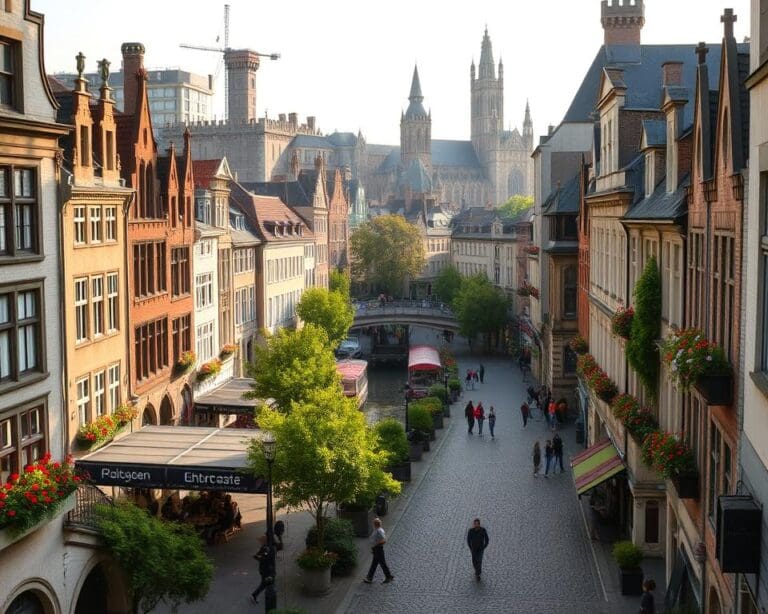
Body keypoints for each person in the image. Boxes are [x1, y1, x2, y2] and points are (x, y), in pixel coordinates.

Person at [363, 518, 393, 584]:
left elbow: (384, 540)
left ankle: (388, 576)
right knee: (375, 564)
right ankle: (369, 577)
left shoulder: (379, 531)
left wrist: (375, 546)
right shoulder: (377, 530)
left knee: (382, 563)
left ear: (375, 524)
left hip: (378, 550)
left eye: (374, 523)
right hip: (376, 549)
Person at [250, 535, 276, 605]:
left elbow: (256, 556)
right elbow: (259, 557)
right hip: (266, 570)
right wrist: (262, 558)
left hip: (264, 569)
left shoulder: (265, 547)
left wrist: (260, 558)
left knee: (267, 582)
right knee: (265, 583)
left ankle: (256, 595)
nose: (261, 542)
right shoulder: (267, 548)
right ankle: (254, 595)